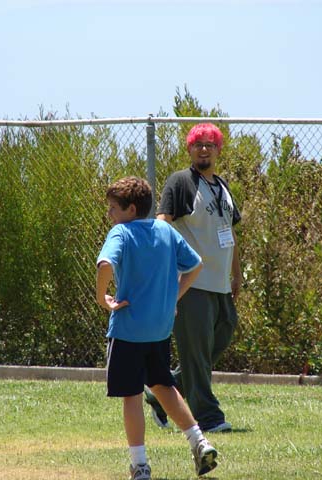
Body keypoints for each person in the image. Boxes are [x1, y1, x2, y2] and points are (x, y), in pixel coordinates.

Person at [95, 176, 219, 480]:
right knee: (164, 386)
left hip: (128, 330)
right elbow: (195, 265)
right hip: (159, 330)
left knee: (131, 395)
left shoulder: (121, 232)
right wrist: (172, 297)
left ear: (131, 209)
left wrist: (102, 298)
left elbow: (105, 264)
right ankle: (199, 442)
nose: (110, 214)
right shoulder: (165, 230)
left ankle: (139, 465)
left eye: (113, 208)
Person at [145, 123, 241, 433]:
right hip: (192, 283)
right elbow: (162, 223)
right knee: (197, 355)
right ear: (189, 149)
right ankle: (209, 418)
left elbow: (230, 233)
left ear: (218, 150)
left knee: (219, 339)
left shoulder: (222, 186)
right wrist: (167, 268)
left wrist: (237, 275)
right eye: (197, 144)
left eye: (209, 144)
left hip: (221, 285)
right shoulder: (182, 182)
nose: (203, 149)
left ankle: (165, 392)